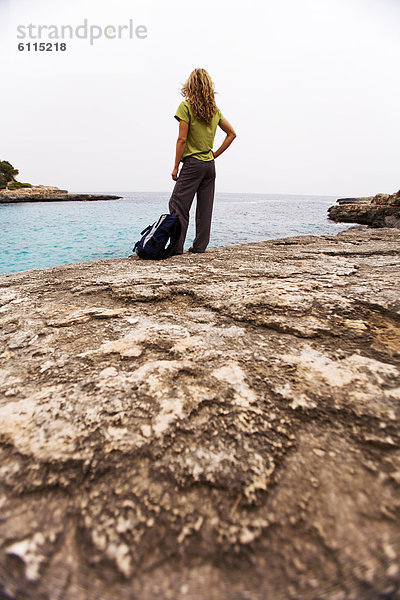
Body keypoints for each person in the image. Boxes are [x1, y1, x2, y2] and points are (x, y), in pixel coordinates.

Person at [169, 68, 236, 255]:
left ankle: (176, 248)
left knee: (177, 204)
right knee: (205, 209)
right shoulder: (215, 110)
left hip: (192, 164)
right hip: (209, 166)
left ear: (190, 86)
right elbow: (232, 134)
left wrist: (175, 166)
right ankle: (199, 247)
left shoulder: (186, 107)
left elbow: (182, 139)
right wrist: (214, 154)